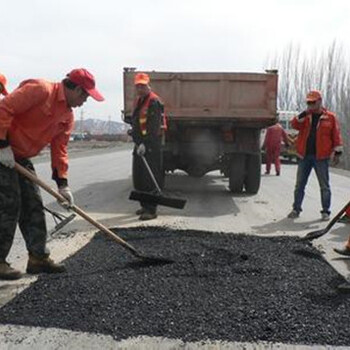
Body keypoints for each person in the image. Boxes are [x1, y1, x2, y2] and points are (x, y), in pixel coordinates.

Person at [0, 68, 104, 280]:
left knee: (33, 204)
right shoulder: (40, 90)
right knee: (9, 204)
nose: (85, 100)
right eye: (84, 94)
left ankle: (38, 258)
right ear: (72, 87)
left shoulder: (67, 116)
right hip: (3, 151)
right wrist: (2, 144)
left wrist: (62, 185)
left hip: (20, 157)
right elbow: (4, 108)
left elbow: (60, 151)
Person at [287, 90, 343, 221]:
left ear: (319, 101)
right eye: (308, 102)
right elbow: (294, 124)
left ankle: (325, 211)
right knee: (299, 185)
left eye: (313, 102)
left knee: (324, 186)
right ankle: (296, 209)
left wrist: (338, 152)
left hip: (321, 157)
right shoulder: (305, 117)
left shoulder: (330, 117)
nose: (310, 104)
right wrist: (303, 113)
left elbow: (336, 135)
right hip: (304, 156)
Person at [130, 72, 165, 221]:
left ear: (148, 85)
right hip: (140, 144)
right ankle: (144, 205)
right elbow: (138, 121)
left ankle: (151, 210)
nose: (140, 88)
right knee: (139, 177)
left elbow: (154, 126)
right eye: (138, 86)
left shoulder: (154, 101)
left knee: (150, 177)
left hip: (151, 146)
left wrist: (145, 143)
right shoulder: (140, 101)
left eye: (142, 86)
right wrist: (134, 133)